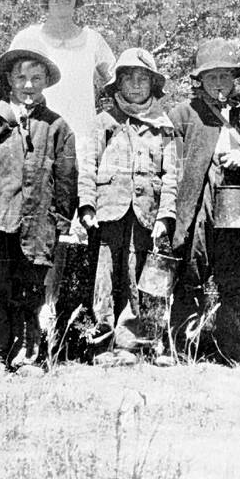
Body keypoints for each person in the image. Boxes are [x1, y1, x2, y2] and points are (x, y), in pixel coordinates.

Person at [8, 0, 115, 333]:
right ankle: (28, 327)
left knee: (75, 233)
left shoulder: (94, 40)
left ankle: (75, 326)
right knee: (33, 228)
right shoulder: (28, 37)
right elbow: (13, 86)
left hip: (81, 144)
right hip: (37, 141)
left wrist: (109, 129)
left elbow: (118, 84)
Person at [0, 48, 78, 376]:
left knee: (30, 288)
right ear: (9, 79)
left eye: (36, 78)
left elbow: (67, 179)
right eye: (21, 77)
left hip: (39, 224)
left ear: (45, 83)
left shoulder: (57, 127)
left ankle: (25, 357)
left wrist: (62, 220)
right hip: (0, 218)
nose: (28, 85)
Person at [166, 38, 240, 366]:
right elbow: (170, 157)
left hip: (237, 201)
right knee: (191, 268)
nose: (218, 84)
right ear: (199, 80)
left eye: (224, 76)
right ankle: (182, 346)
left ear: (234, 78)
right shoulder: (182, 113)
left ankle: (232, 348)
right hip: (196, 201)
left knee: (235, 276)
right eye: (211, 77)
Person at [77, 48, 178, 364]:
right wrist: (87, 206)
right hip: (109, 211)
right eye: (128, 78)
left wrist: (165, 214)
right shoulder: (104, 122)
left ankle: (128, 343)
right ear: (117, 84)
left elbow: (171, 174)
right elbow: (88, 166)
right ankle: (102, 342)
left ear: (152, 84)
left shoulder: (163, 126)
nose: (135, 85)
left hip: (144, 213)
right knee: (105, 273)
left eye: (142, 78)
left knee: (136, 275)